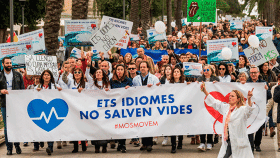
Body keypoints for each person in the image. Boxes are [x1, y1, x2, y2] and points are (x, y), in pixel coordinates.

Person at [200, 81, 255, 158]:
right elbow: (214, 102)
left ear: (238, 99)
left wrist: (249, 99)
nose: (230, 97)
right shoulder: (226, 108)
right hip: (228, 140)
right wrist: (205, 91)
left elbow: (249, 110)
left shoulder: (242, 110)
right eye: (230, 95)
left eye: (232, 96)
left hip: (238, 141)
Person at [132, 61, 160, 152]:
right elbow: (133, 91)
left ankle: (149, 144)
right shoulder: (135, 79)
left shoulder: (154, 78)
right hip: (140, 105)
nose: (142, 68)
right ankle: (144, 143)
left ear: (148, 68)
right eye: (141, 67)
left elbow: (159, 90)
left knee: (149, 123)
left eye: (144, 67)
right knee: (142, 124)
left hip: (151, 104)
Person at [0, 57, 25, 155]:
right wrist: (1, 91)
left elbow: (22, 89)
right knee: (7, 127)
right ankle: (9, 148)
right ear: (3, 64)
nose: (9, 64)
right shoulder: (0, 75)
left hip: (16, 104)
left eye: (10, 63)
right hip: (5, 103)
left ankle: (17, 146)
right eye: (7, 63)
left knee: (16, 125)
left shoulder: (18, 75)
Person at [35, 70, 62, 155]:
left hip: (52, 110)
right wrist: (36, 92)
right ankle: (41, 142)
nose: (46, 76)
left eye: (48, 75)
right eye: (45, 75)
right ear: (42, 76)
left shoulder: (55, 86)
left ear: (51, 77)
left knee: (50, 128)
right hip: (41, 110)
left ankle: (50, 147)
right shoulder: (37, 87)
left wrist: (61, 91)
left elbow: (61, 95)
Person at [247, 66, 271, 152]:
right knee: (249, 126)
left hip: (260, 109)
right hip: (249, 109)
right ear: (249, 74)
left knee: (259, 127)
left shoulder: (263, 83)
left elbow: (269, 96)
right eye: (251, 73)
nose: (253, 74)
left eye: (255, 72)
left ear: (258, 73)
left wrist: (267, 90)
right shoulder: (246, 83)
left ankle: (257, 144)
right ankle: (250, 145)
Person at [110, 64, 133, 153]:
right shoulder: (112, 80)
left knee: (123, 125)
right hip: (115, 106)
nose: (119, 71)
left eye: (121, 69)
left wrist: (130, 88)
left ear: (124, 71)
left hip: (125, 106)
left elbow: (134, 91)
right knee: (117, 126)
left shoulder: (128, 80)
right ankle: (120, 143)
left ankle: (123, 145)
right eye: (118, 69)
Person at [197, 64, 219, 151]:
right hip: (202, 104)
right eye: (204, 70)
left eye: (207, 70)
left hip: (211, 104)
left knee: (210, 122)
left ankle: (210, 142)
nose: (205, 72)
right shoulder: (200, 79)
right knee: (202, 122)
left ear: (211, 71)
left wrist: (217, 84)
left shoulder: (216, 79)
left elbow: (219, 89)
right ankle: (202, 142)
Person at [168, 67, 186, 153]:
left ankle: (180, 142)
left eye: (177, 72)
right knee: (172, 127)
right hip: (172, 108)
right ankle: (173, 145)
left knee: (180, 125)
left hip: (181, 107)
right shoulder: (168, 83)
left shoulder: (184, 83)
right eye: (174, 72)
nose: (176, 73)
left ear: (180, 74)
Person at [272, 74, 280, 152]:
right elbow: (275, 99)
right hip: (279, 112)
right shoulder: (276, 88)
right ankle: (279, 145)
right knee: (279, 130)